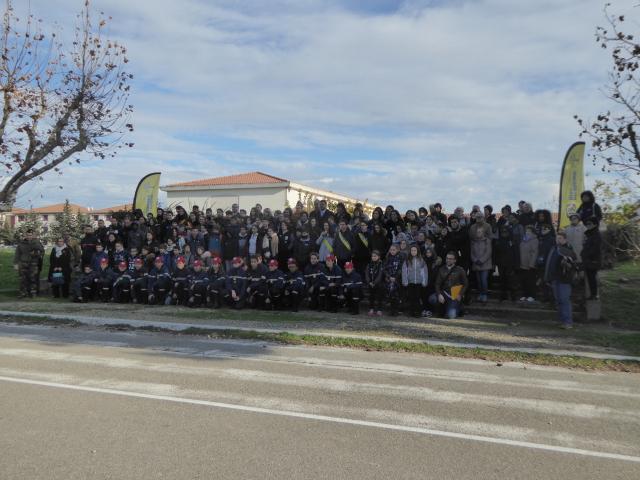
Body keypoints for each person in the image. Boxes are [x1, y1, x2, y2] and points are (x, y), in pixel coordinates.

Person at [544, 232, 578, 329]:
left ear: (565, 239)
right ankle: (562, 321)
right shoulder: (553, 249)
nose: (558, 240)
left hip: (565, 279)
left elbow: (573, 263)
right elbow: (549, 264)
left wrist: (567, 262)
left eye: (560, 238)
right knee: (558, 301)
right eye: (557, 238)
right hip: (555, 278)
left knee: (564, 300)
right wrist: (547, 277)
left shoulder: (568, 249)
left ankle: (568, 322)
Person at [430, 252, 469, 319]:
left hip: (455, 296)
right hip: (444, 293)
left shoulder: (460, 270)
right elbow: (437, 284)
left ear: (455, 260)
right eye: (447, 258)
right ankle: (445, 308)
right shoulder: (441, 269)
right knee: (432, 298)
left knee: (451, 316)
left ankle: (459, 308)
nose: (448, 260)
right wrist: (439, 294)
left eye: (451, 259)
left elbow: (465, 284)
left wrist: (460, 294)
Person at [13, 229, 44, 299]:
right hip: (23, 263)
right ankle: (23, 293)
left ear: (32, 235)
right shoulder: (21, 243)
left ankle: (33, 293)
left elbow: (42, 252)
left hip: (33, 263)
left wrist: (35, 254)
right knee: (22, 279)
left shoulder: (36, 243)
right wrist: (15, 264)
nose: (29, 236)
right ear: (25, 235)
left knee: (32, 278)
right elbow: (17, 254)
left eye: (30, 235)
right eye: (27, 235)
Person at [470, 215, 492, 304]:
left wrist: (481, 260)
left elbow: (488, 252)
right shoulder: (473, 242)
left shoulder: (487, 241)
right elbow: (472, 253)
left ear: (483, 232)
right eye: (478, 232)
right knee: (478, 281)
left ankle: (484, 294)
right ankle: (480, 293)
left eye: (480, 231)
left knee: (483, 280)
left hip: (485, 264)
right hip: (476, 263)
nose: (479, 233)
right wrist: (475, 260)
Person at [401, 245, 428, 317]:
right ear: (410, 251)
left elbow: (424, 271)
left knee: (417, 297)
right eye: (412, 250)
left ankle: (418, 312)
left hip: (418, 282)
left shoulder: (421, 260)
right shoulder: (407, 260)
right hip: (411, 282)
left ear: (417, 251)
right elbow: (404, 271)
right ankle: (411, 312)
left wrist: (424, 281)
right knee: (411, 297)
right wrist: (405, 281)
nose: (413, 252)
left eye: (415, 250)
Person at [582, 217, 602, 300]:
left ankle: (594, 295)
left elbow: (595, 248)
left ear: (595, 224)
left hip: (593, 259)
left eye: (589, 224)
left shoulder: (596, 234)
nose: (587, 225)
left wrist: (585, 254)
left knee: (592, 278)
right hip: (588, 259)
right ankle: (593, 294)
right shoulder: (589, 233)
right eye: (587, 224)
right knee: (590, 278)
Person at [518, 225, 539, 302]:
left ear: (533, 232)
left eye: (529, 231)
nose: (527, 232)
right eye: (526, 231)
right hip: (522, 264)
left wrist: (532, 264)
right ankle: (524, 295)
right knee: (524, 281)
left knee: (531, 281)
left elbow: (535, 252)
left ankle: (532, 295)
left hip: (530, 265)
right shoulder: (523, 239)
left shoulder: (535, 240)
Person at [383, 244, 403, 316]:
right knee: (390, 294)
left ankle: (396, 310)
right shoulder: (388, 257)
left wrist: (396, 277)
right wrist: (389, 276)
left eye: (394, 250)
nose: (392, 251)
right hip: (389, 279)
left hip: (397, 279)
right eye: (391, 250)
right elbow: (384, 269)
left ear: (397, 250)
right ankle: (391, 310)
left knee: (396, 295)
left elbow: (401, 269)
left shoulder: (400, 257)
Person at [365, 250, 384, 317]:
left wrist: (375, 282)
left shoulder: (381, 264)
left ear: (379, 257)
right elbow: (367, 274)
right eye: (372, 256)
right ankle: (371, 309)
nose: (373, 257)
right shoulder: (369, 264)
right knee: (371, 296)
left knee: (379, 296)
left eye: (375, 256)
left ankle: (379, 309)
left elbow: (380, 275)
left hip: (378, 284)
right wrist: (369, 282)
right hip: (370, 284)